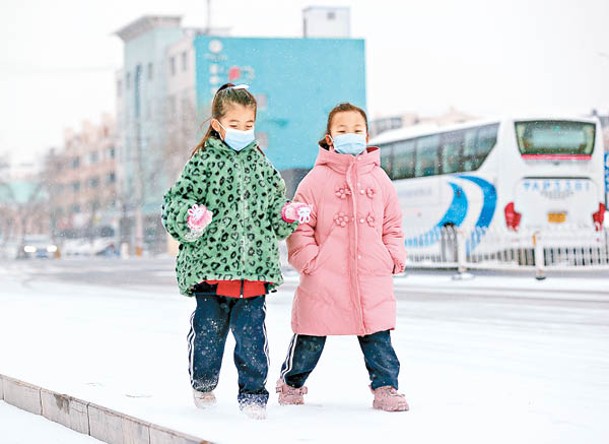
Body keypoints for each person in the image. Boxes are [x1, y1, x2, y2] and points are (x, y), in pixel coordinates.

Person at [161, 83, 311, 420]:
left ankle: (253, 395)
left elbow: (274, 211)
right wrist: (191, 217)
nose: (243, 132)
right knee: (209, 335)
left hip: (253, 271)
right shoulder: (203, 163)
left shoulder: (261, 165)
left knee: (252, 339)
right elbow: (174, 203)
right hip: (211, 271)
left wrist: (286, 214)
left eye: (248, 125)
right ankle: (203, 382)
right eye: (235, 125)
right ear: (217, 124)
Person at [276, 102, 409, 412]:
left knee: (378, 337)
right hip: (325, 276)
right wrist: (309, 260)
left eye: (357, 130)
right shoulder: (315, 180)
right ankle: (292, 383)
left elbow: (393, 224)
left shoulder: (380, 179)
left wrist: (392, 256)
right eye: (343, 130)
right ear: (330, 138)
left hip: (370, 276)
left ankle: (386, 387)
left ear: (367, 134)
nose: (351, 135)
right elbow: (300, 225)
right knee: (310, 336)